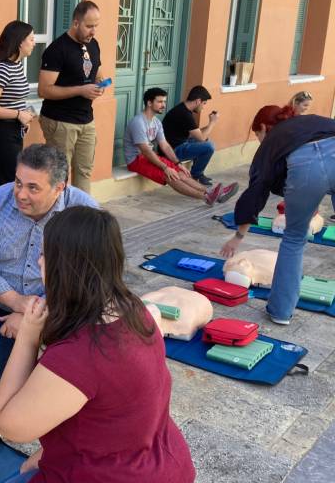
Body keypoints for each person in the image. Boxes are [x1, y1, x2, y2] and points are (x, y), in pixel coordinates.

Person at [0, 206, 196, 483]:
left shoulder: (83, 355)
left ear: (66, 267)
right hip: (172, 480)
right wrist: (46, 454)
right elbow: (109, 412)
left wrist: (29, 336)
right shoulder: (137, 310)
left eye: (45, 255)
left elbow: (8, 422)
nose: (39, 262)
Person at [0, 144, 98, 393]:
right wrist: (15, 302)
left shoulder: (84, 212)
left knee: (68, 382)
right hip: (5, 305)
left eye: (33, 187)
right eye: (18, 182)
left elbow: (90, 275)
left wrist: (31, 313)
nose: (20, 194)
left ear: (60, 187)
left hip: (62, 308)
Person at [221, 106, 335, 325]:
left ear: (264, 127)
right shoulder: (311, 121)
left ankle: (281, 312)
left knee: (294, 239)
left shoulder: (272, 142)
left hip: (305, 168)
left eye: (257, 135)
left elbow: (256, 190)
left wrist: (238, 237)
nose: (259, 140)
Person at [125, 87, 238, 205]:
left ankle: (212, 192)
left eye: (164, 101)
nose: (163, 105)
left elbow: (165, 146)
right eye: (159, 102)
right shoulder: (138, 122)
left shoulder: (156, 122)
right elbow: (146, 151)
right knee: (169, 175)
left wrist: (178, 163)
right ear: (149, 103)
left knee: (179, 171)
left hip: (150, 156)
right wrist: (165, 167)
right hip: (136, 160)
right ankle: (206, 197)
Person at [37, 1, 106, 194]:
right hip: (60, 121)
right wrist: (80, 90)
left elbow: (98, 72)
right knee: (59, 174)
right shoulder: (57, 49)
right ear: (76, 23)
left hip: (86, 119)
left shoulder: (93, 45)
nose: (93, 31)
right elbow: (44, 90)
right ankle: (59, 217)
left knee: (84, 171)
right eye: (89, 26)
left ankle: (81, 218)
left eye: (96, 26)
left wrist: (101, 85)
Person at [0, 21, 37, 187]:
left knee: (6, 182)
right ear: (20, 42)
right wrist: (19, 114)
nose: (34, 43)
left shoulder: (17, 66)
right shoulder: (3, 69)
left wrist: (23, 117)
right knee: (11, 182)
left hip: (14, 131)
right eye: (31, 39)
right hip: (2, 133)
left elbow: (13, 100)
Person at [161, 85, 218, 186]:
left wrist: (208, 125)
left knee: (205, 142)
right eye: (203, 104)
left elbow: (197, 134)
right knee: (209, 146)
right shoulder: (185, 114)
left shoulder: (183, 109)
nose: (203, 108)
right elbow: (201, 138)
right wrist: (212, 123)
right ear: (198, 101)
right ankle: (197, 175)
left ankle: (197, 174)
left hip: (178, 144)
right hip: (172, 151)